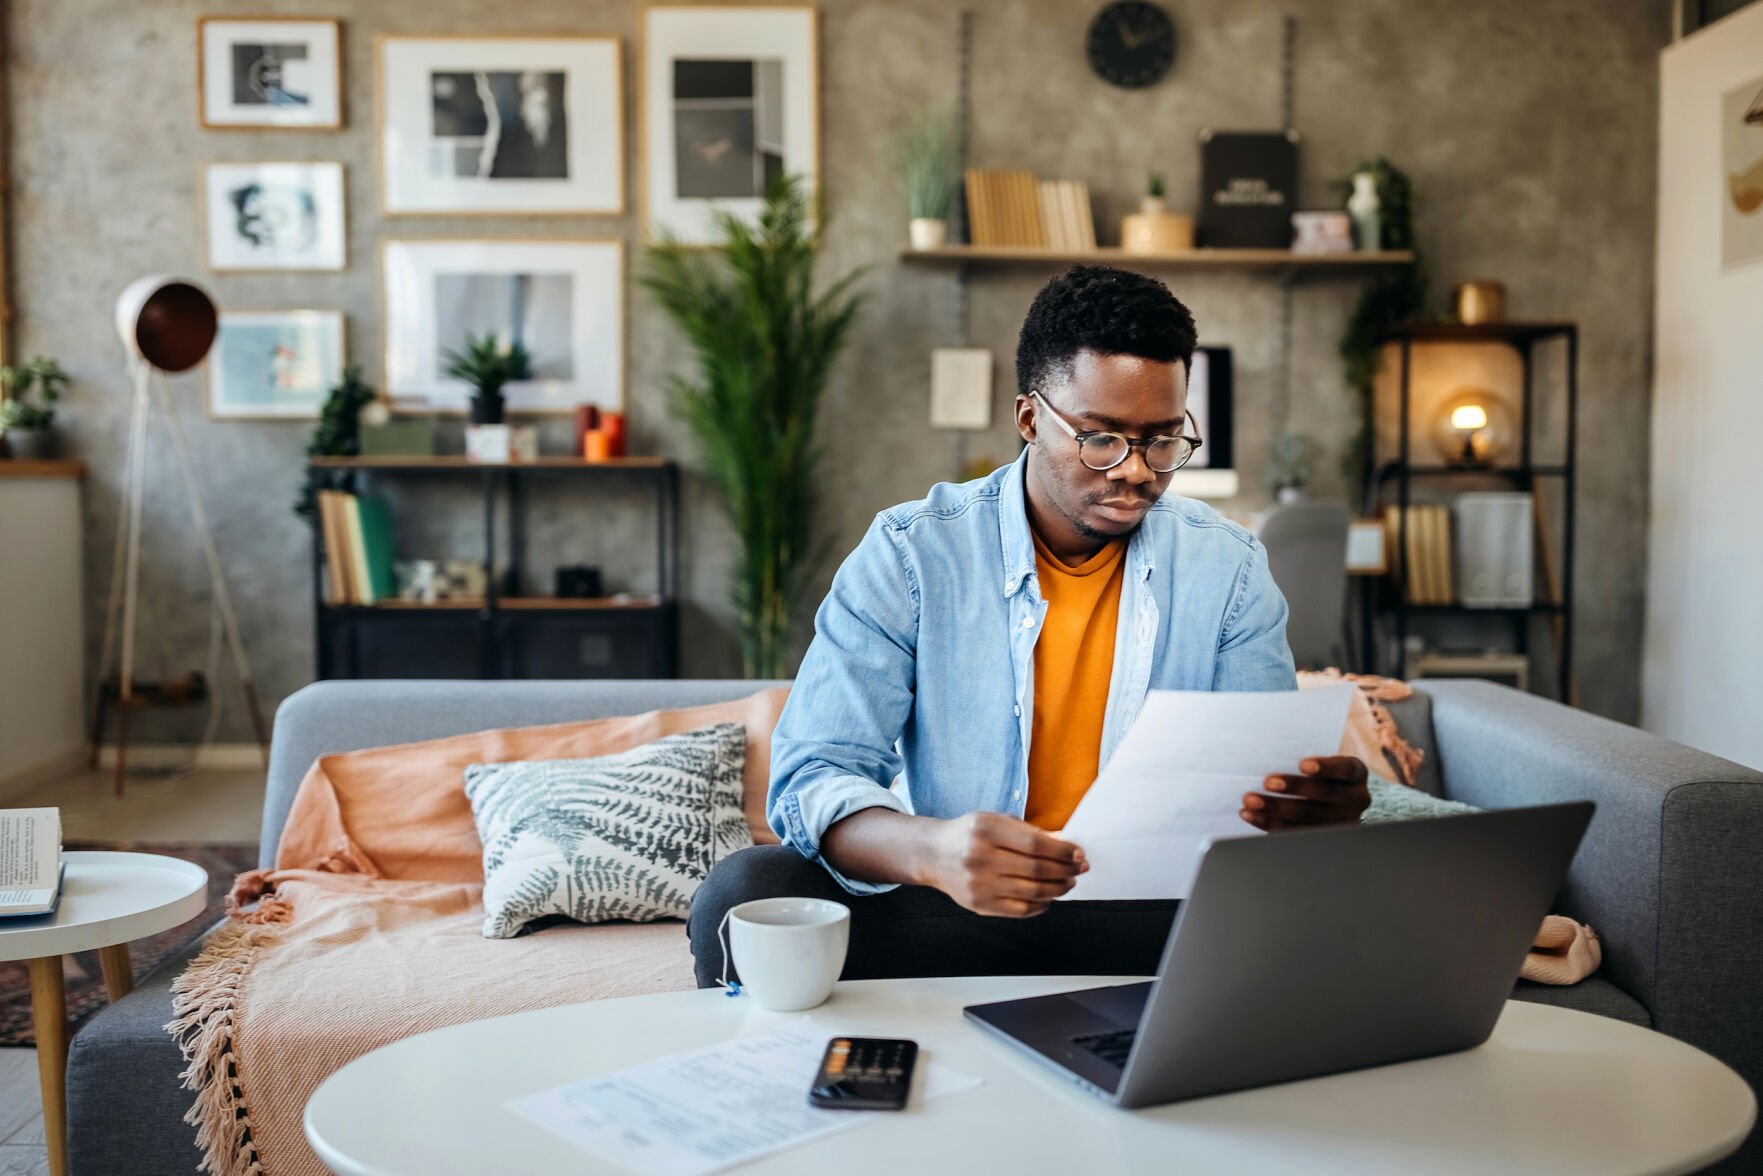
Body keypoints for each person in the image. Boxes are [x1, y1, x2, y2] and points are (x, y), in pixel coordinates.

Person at [688, 265, 1369, 988]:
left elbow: (1252, 791)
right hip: (956, 911)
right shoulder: (913, 554)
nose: (1135, 471)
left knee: (1369, 895)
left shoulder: (1226, 567)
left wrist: (1309, 812)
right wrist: (932, 851)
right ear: (1028, 418)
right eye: (1101, 438)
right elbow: (814, 775)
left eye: (1162, 441)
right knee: (746, 895)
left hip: (1154, 915)